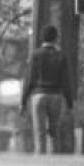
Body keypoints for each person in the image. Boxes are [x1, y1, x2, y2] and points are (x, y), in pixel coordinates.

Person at [19, 25, 74, 155]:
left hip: (38, 95)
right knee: (55, 133)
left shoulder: (35, 55)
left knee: (40, 132)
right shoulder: (61, 56)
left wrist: (23, 101)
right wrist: (69, 103)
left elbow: (29, 79)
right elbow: (66, 81)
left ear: (42, 38)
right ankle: (54, 159)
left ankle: (40, 159)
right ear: (56, 38)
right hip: (56, 96)